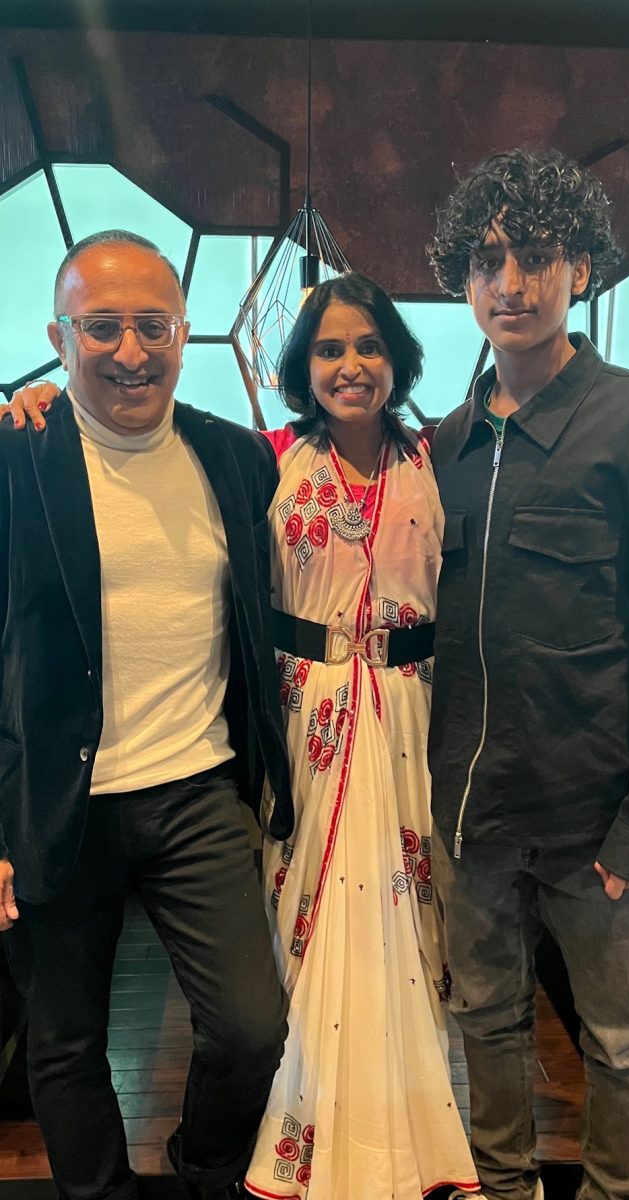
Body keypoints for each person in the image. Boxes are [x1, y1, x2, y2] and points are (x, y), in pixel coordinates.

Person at [7, 272, 483, 1200]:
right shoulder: (262, 458)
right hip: (226, 750)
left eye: (368, 345)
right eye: (328, 348)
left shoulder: (391, 457)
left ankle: (245, 1164)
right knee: (69, 1039)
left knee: (269, 1010)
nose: (350, 365)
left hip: (310, 749)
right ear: (61, 336)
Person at [426, 147, 629, 1200]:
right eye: (487, 259)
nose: (511, 283)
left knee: (623, 1041)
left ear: (580, 266)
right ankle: (504, 1189)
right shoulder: (448, 442)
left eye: (536, 256)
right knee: (483, 1021)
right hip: (473, 821)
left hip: (599, 829)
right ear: (462, 276)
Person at [0, 229, 293, 1200]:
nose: (130, 351)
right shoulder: (16, 456)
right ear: (59, 336)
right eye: (102, 327)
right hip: (56, 802)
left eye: (152, 326)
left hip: (195, 792)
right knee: (65, 1041)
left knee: (252, 1029)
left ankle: (204, 1170)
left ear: (183, 332)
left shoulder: (233, 457)